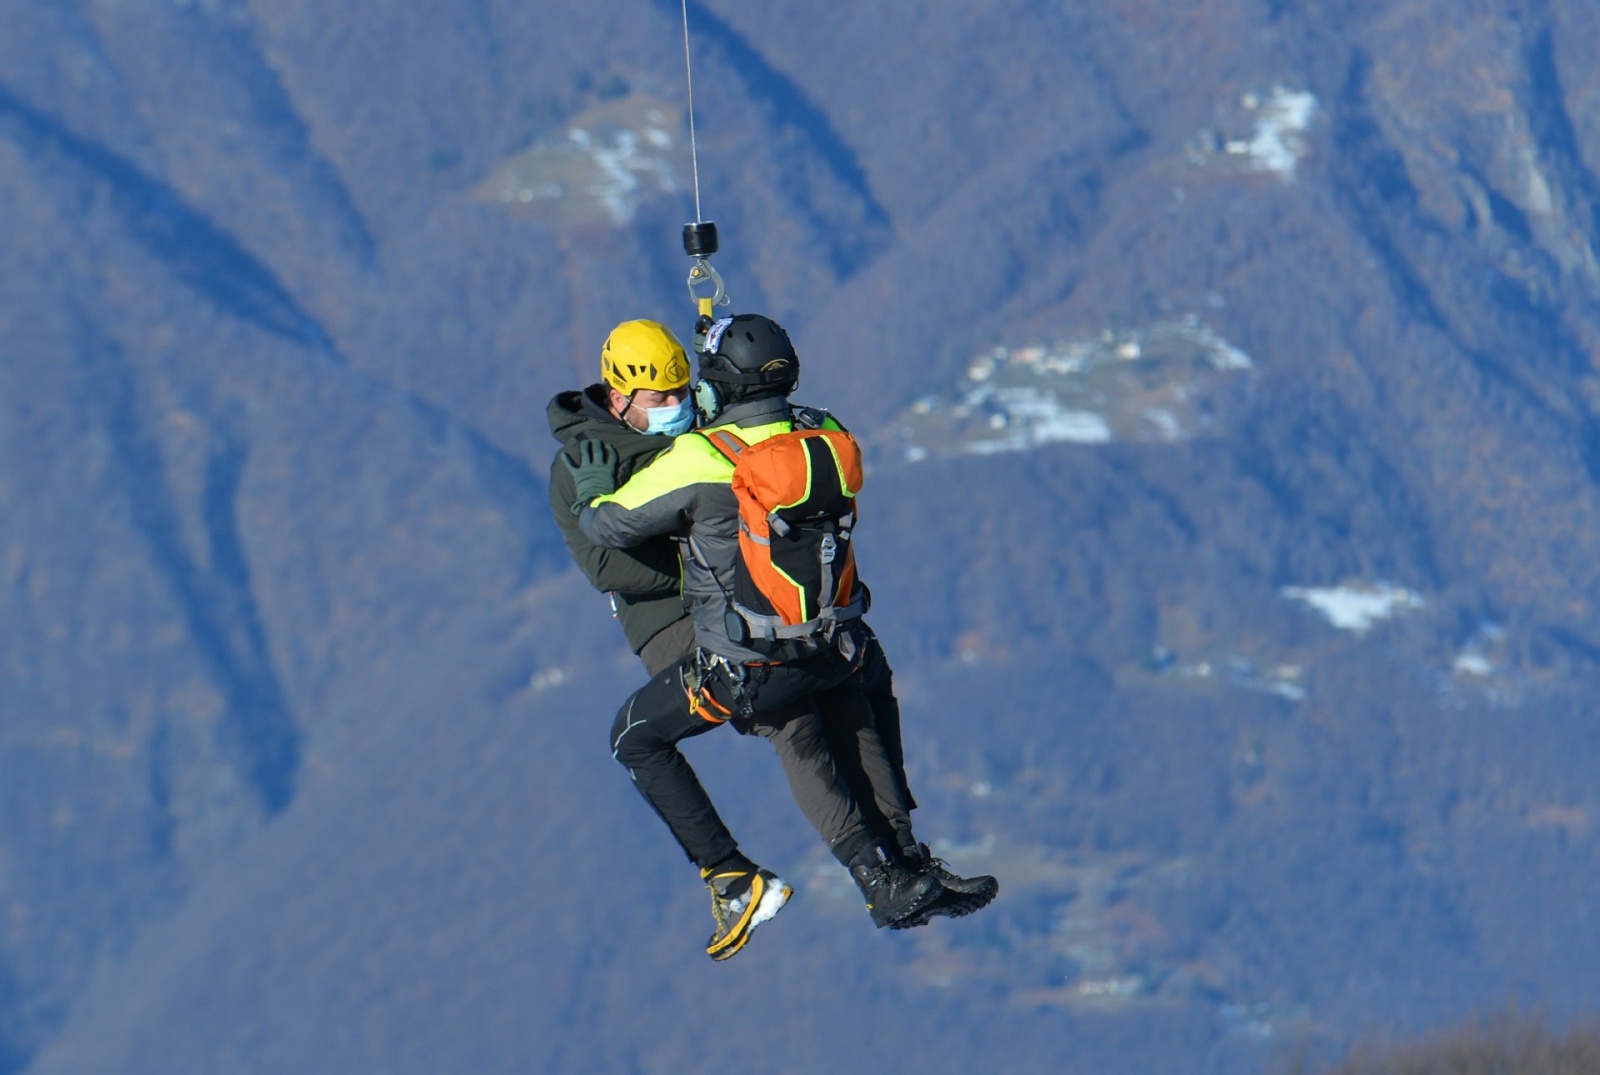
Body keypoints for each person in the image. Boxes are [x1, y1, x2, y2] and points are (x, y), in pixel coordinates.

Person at [567, 313, 996, 958]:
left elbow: (607, 529)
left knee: (635, 739)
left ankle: (768, 878)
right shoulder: (824, 432)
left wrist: (594, 486)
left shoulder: (702, 458)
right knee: (854, 721)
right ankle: (908, 865)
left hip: (746, 665)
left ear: (717, 384)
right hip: (833, 641)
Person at [546, 319, 696, 676]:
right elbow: (605, 566)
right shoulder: (582, 463)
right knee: (792, 720)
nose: (675, 405)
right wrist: (716, 557)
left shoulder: (699, 425)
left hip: (745, 599)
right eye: (659, 398)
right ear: (618, 398)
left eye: (682, 392)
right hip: (671, 625)